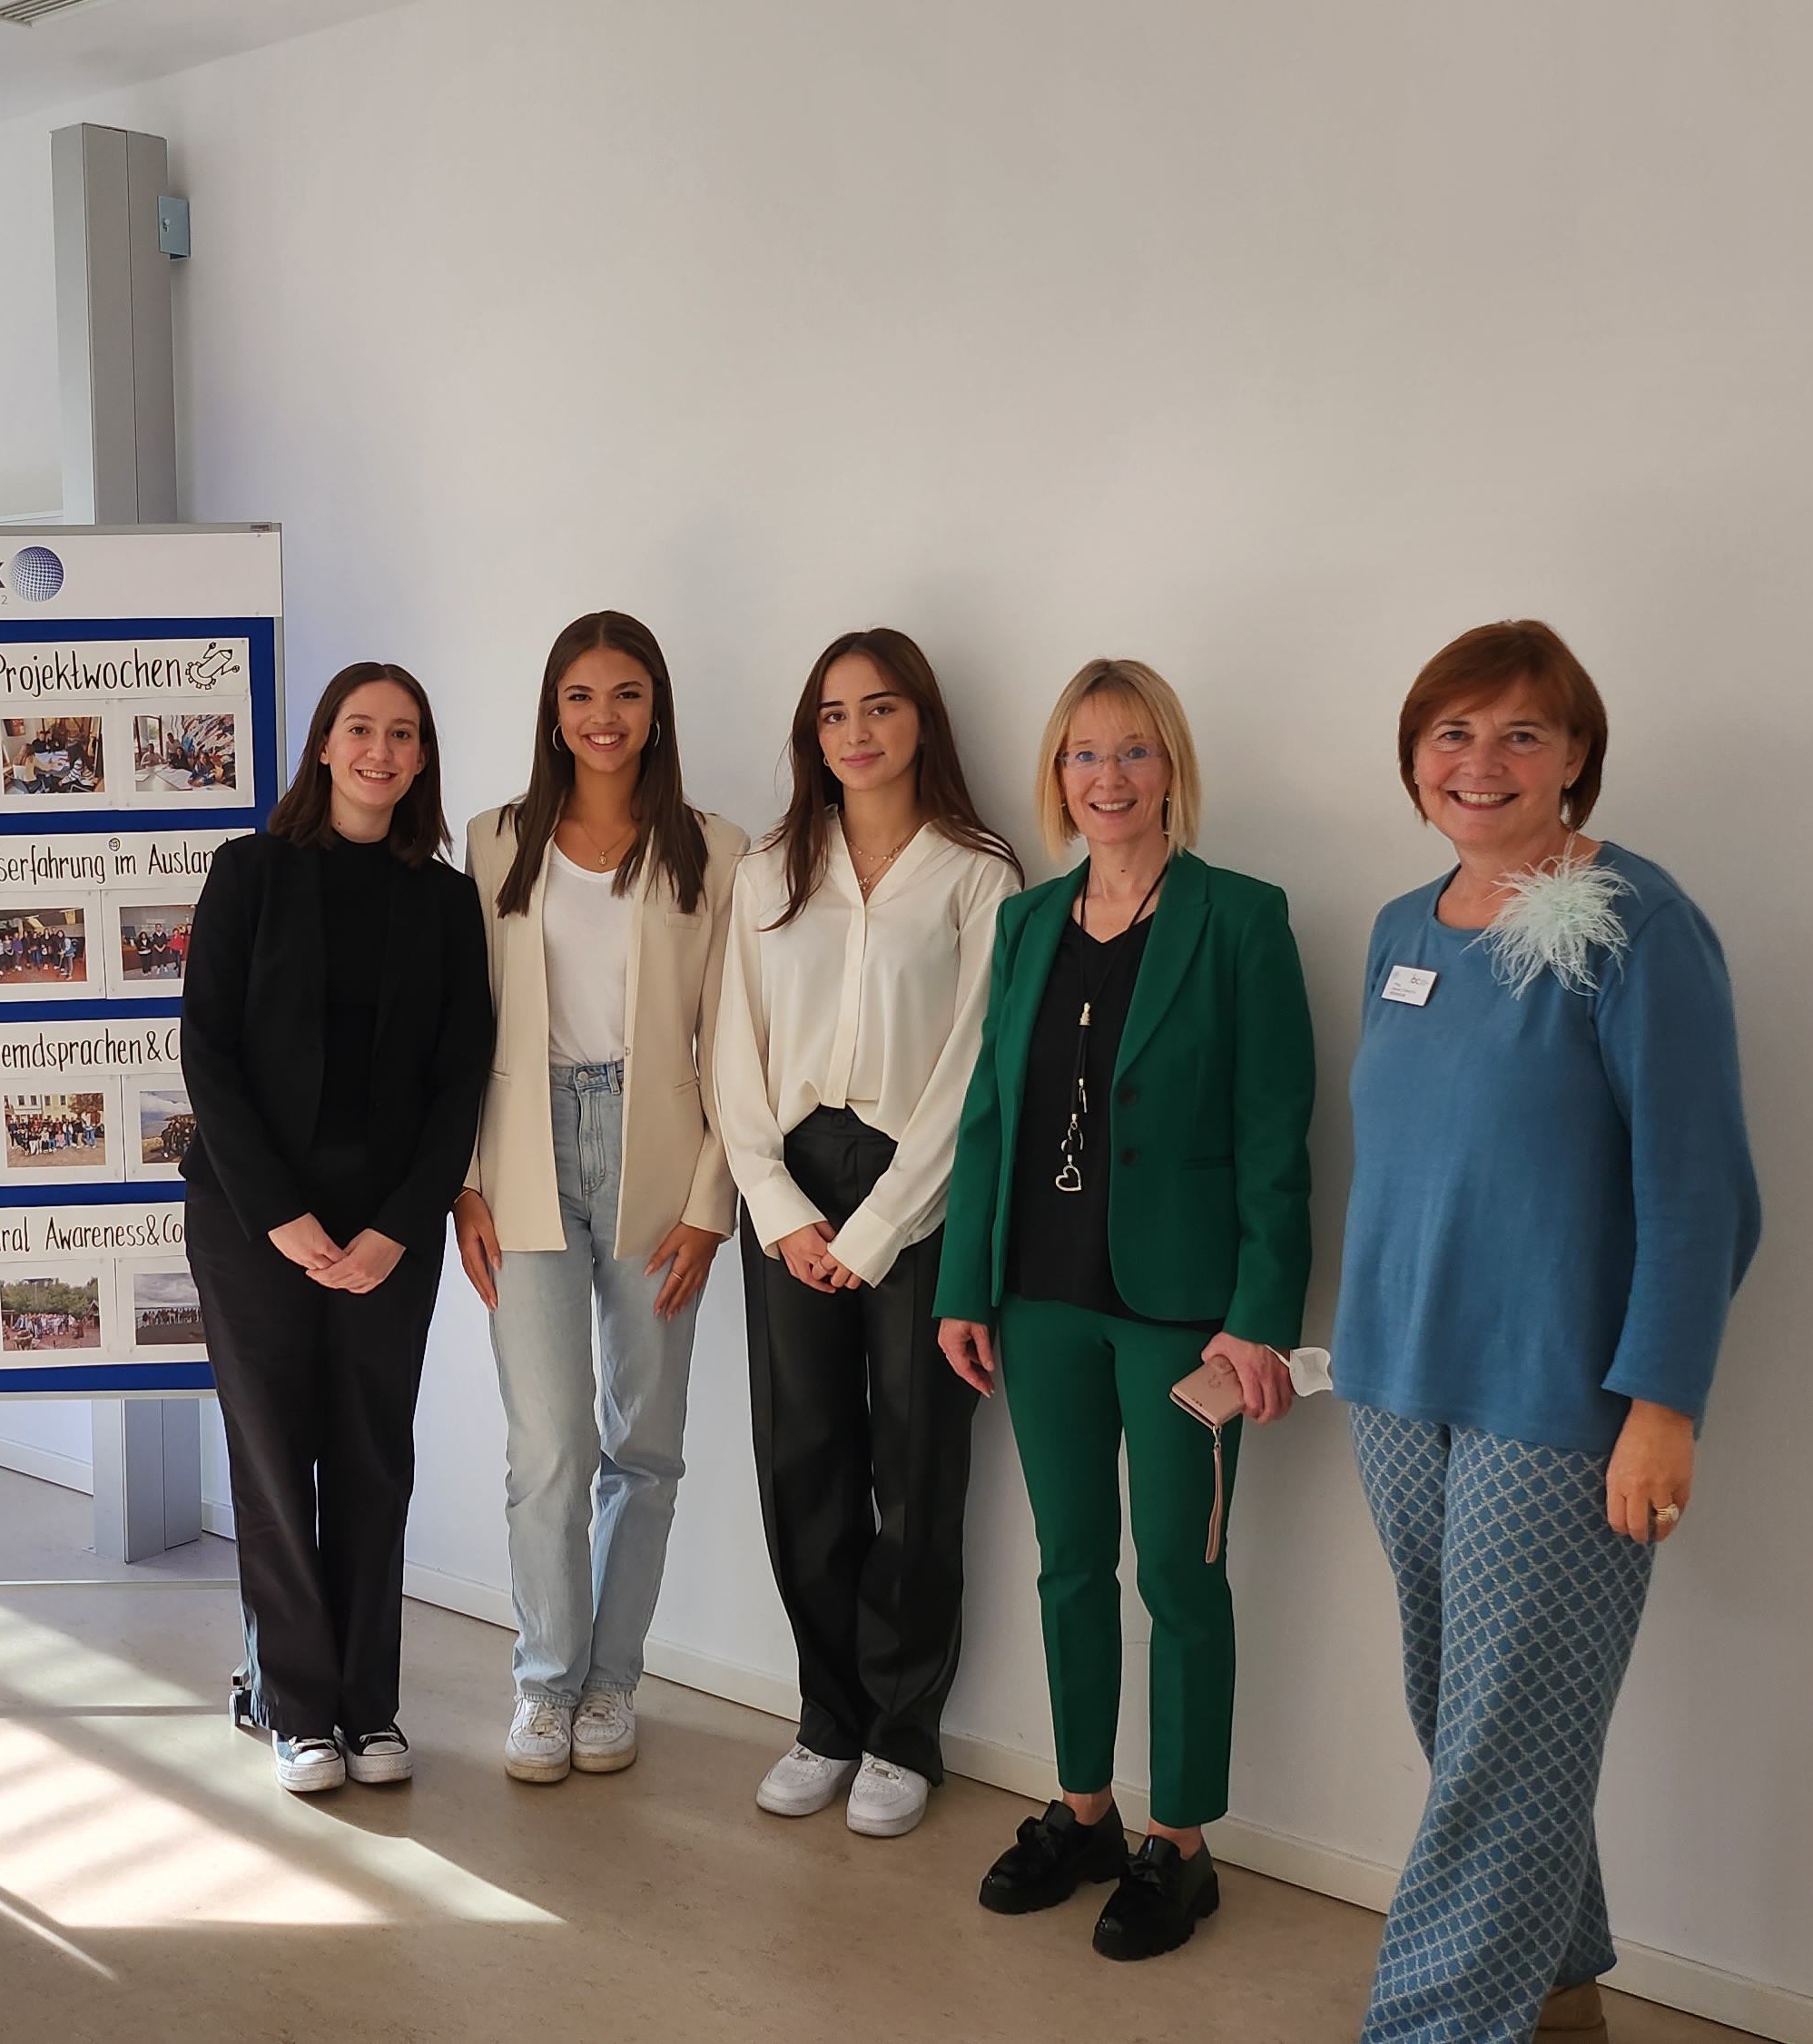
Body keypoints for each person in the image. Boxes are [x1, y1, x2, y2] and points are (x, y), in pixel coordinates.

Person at [1338, 621, 1757, 2044]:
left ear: (1577, 756)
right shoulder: (1402, 929)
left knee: (1503, 1739)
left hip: (1562, 1401)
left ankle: (1434, 2027)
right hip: (1397, 1383)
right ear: (1415, 758)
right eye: (1452, 733)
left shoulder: (1640, 922)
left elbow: (1700, 1189)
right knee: (1467, 1717)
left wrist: (1663, 1406)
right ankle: (1559, 1988)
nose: (1483, 761)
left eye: (1522, 732)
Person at [931, 660, 1315, 1957]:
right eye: (1085, 754)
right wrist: (964, 1283)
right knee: (1068, 1561)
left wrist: (1260, 1313)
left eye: (1135, 751)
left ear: (1172, 768)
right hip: (1039, 1298)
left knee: (1179, 1573)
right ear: (1058, 775)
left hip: (1182, 1315)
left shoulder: (1241, 918)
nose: (1109, 777)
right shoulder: (1028, 923)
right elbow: (990, 1112)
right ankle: (1084, 1808)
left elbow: (1276, 1138)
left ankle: (1181, 1842)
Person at [706, 627, 1021, 1840]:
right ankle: (827, 1717)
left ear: (921, 720)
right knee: (804, 1459)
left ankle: (903, 1732)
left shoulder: (977, 873)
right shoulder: (769, 868)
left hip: (918, 1190)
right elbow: (732, 1049)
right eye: (833, 714)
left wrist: (882, 1225)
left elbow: (975, 1067)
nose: (856, 732)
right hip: (790, 1184)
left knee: (918, 1464)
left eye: (880, 708)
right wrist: (780, 1212)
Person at [181, 662, 490, 1795]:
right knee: (273, 1458)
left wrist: (400, 1225)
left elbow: (460, 1076)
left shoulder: (445, 900)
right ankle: (297, 1707)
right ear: (323, 744)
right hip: (250, 1217)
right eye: (360, 728)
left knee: (370, 1458)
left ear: (422, 759)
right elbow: (206, 1052)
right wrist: (279, 1214)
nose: (379, 750)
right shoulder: (249, 871)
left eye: (403, 733)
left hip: (387, 1230)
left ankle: (371, 1706)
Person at [451, 612, 747, 1784]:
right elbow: (461, 1023)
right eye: (580, 695)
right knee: (550, 1447)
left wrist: (713, 1202)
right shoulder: (494, 840)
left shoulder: (712, 848)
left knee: (645, 1444)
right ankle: (544, 1683)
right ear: (553, 711)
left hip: (660, 1159)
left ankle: (611, 1682)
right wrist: (465, 1182)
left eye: (625, 694)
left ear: (656, 708)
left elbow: (736, 1041)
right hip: (522, 1152)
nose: (603, 717)